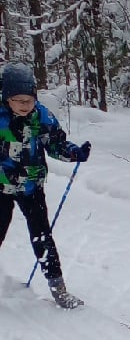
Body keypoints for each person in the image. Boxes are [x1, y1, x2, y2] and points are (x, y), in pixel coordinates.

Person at [0, 62, 90, 308]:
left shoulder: (41, 115)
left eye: (29, 100)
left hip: (31, 187)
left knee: (42, 237)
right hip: (2, 188)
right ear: (6, 97)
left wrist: (74, 153)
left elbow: (55, 144)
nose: (24, 105)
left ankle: (58, 289)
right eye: (18, 100)